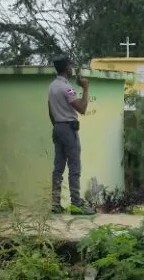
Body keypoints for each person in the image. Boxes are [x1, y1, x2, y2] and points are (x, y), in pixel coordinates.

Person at [48, 55, 94, 215]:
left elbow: (50, 110)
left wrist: (58, 125)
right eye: (71, 65)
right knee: (74, 167)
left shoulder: (52, 86)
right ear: (67, 68)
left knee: (58, 168)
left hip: (58, 128)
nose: (72, 67)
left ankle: (55, 203)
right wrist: (86, 88)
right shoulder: (66, 88)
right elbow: (81, 108)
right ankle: (76, 204)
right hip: (68, 129)